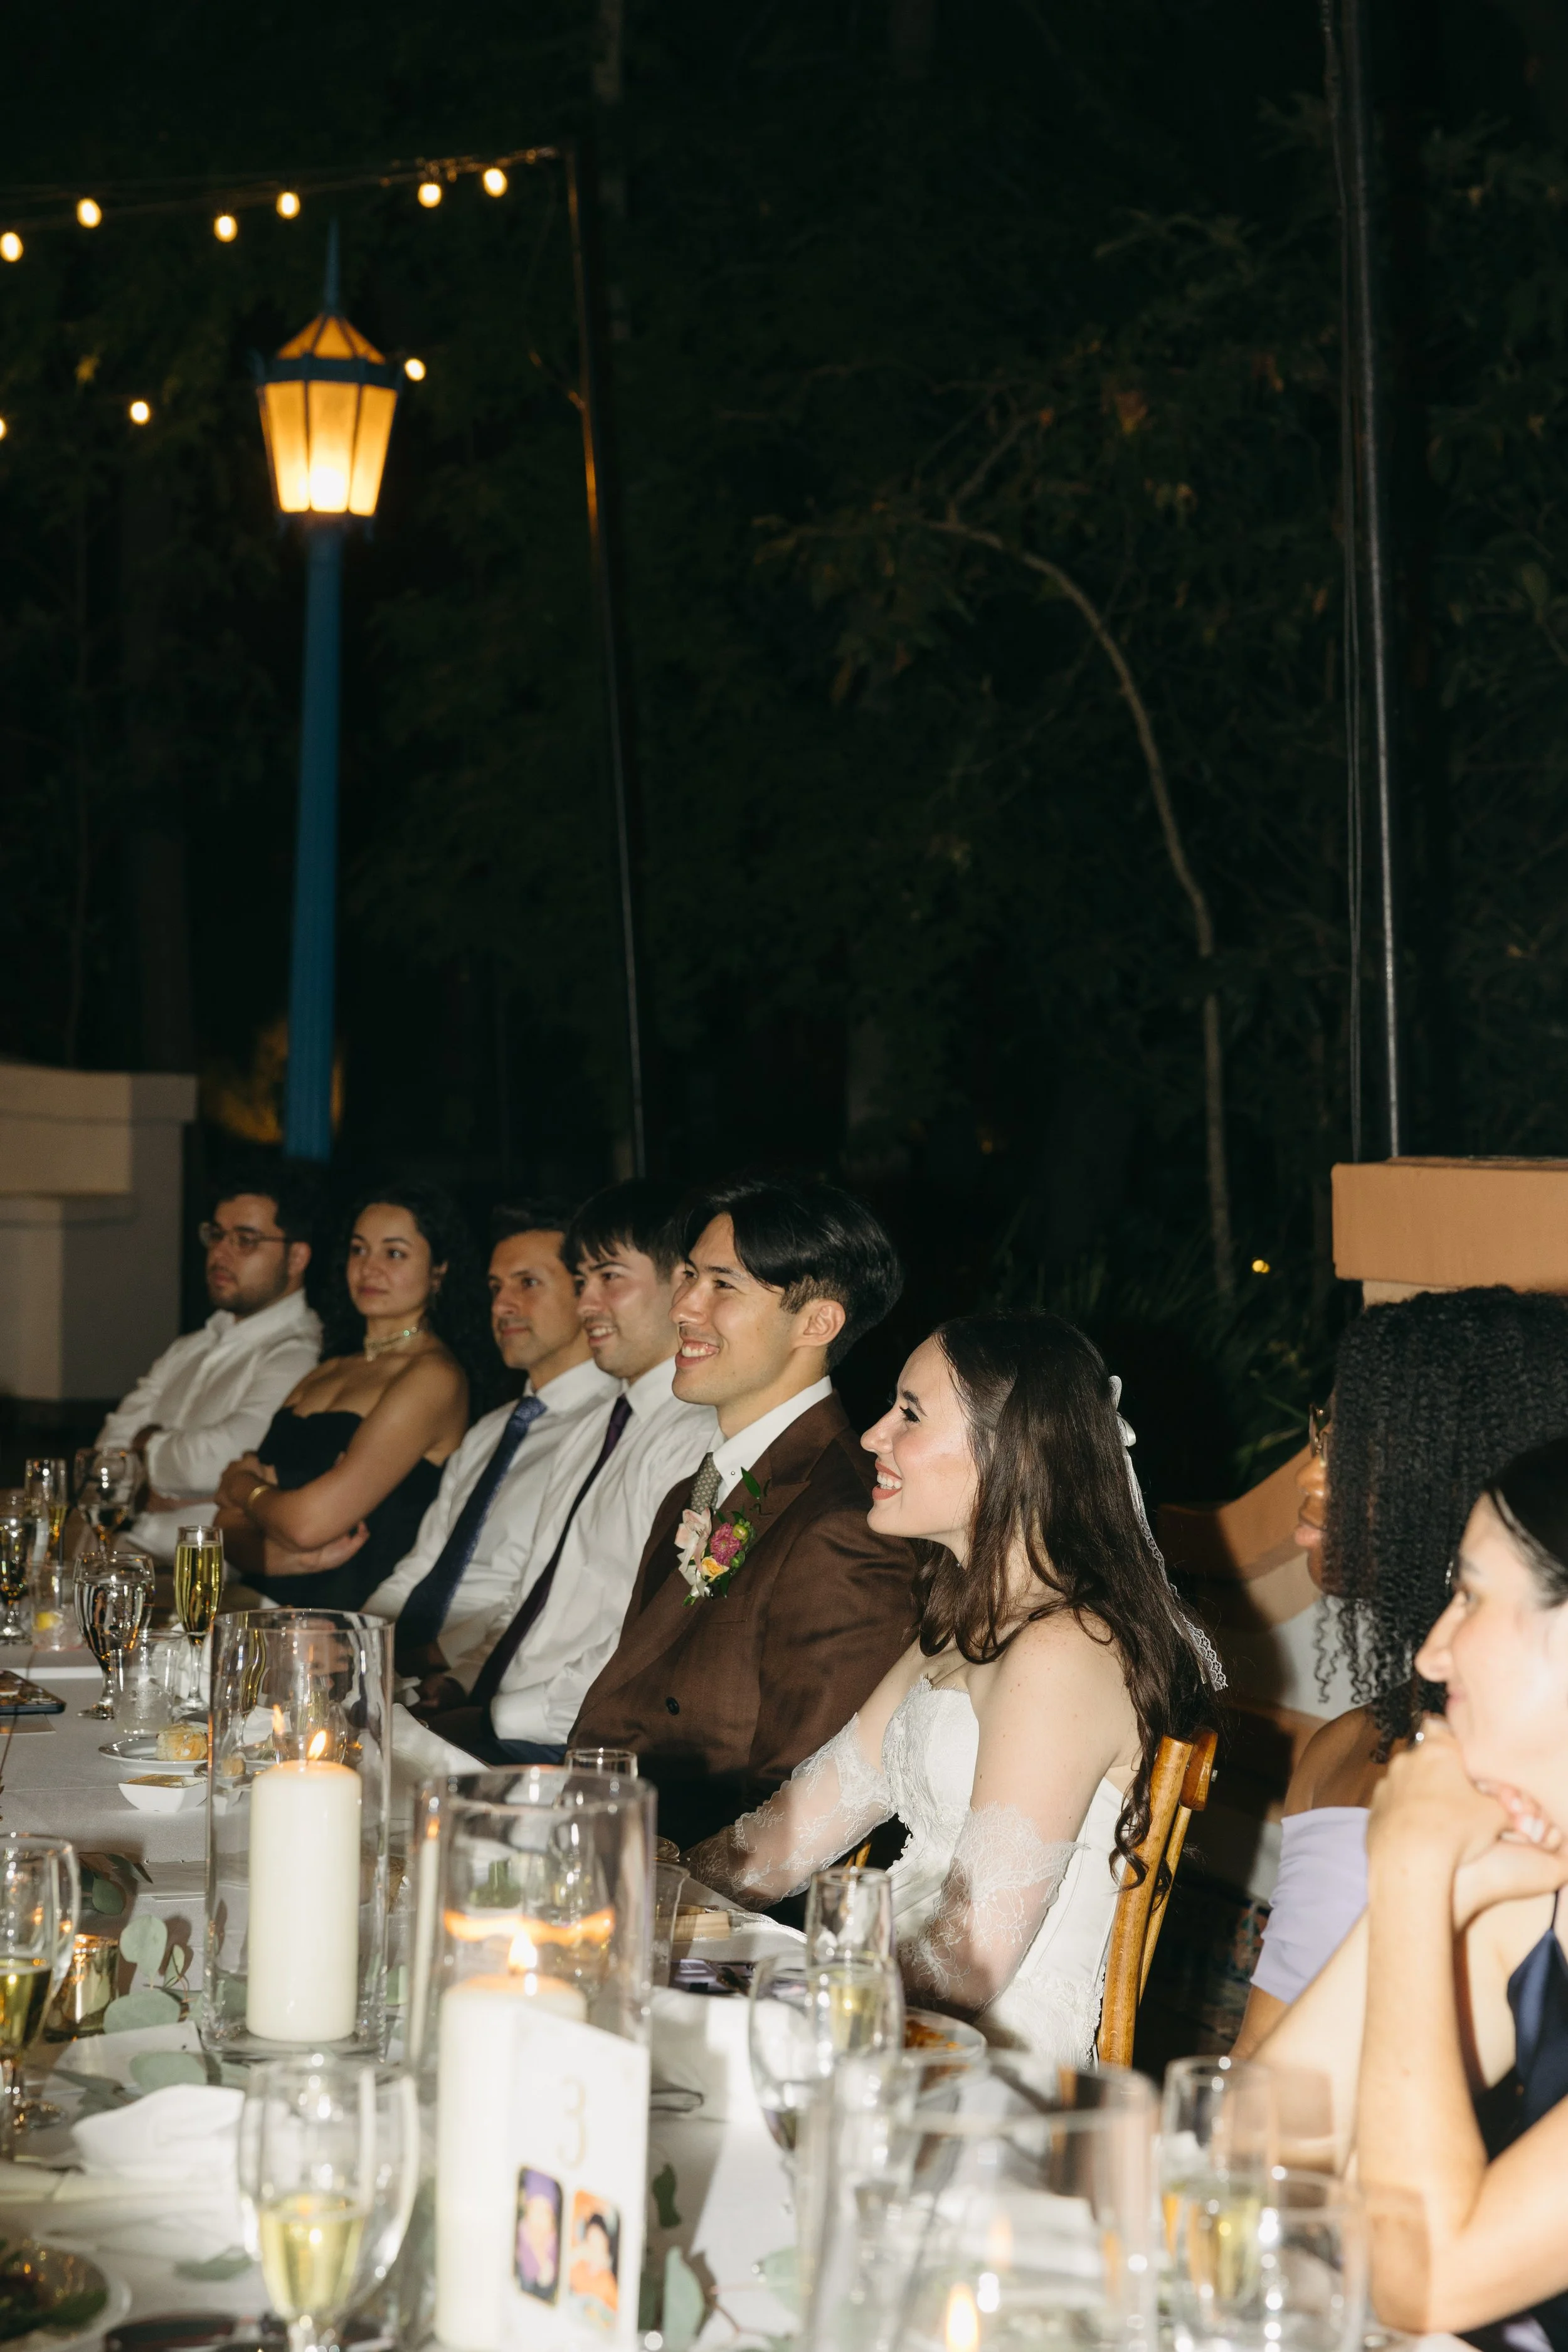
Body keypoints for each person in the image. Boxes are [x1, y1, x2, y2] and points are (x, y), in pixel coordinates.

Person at [685, 1311, 1216, 2059]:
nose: (873, 1436)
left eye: (908, 1414)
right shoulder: (957, 1630)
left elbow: (970, 1960)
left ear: (1010, 1452)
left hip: (988, 2058)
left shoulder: (1065, 1650)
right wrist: (652, 1890)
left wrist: (787, 2005)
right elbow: (784, 1839)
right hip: (881, 2001)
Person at [1254, 1434, 1568, 2346]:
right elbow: (1262, 2139)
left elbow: (1424, 2279)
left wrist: (1410, 1868)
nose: (1432, 1653)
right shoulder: (1534, 1882)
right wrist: (1428, 1889)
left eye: (1468, 1594)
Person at [1234, 1286, 1568, 2054]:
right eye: (1322, 1437)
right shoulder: (1344, 1746)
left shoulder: (1526, 1791)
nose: (1312, 1479)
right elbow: (1257, 2078)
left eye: (1351, 1448)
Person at [569, 1175, 921, 1846]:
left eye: (722, 1286)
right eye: (688, 1277)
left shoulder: (845, 1523)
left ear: (817, 1322)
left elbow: (807, 1805)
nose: (684, 1308)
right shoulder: (699, 1489)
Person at [418, 1179, 716, 1762]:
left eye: (610, 1278)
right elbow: (530, 1596)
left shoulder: (695, 1436)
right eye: (581, 1283)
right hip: (509, 1713)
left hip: (581, 1740)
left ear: (682, 1285)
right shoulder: (596, 1426)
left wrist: (495, 1715)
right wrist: (464, 1681)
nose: (586, 1305)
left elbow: (644, 1643)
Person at [362, 1200, 617, 1686]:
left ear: (586, 1295)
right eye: (496, 1288)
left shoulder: (609, 1428)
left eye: (528, 1283)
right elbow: (421, 1566)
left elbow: (542, 1596)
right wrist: (353, 1638)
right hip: (403, 1668)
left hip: (490, 1679)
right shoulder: (492, 1429)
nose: (502, 1306)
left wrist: (416, 1661)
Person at [213, 1180, 490, 1611]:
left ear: (439, 1270)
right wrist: (284, 1557)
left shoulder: (434, 1376)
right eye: (360, 1250)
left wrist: (243, 1486)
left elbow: (306, 1523)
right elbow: (225, 1530)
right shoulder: (327, 1370)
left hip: (348, 1630)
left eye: (394, 1253)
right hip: (262, 1610)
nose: (369, 1268)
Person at [96, 1166, 322, 1561]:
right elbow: (104, 1455)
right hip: (127, 1555)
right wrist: (149, 1485)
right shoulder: (191, 1347)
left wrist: (145, 1445)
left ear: (297, 1257)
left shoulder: (301, 1353)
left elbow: (223, 1460)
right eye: (216, 1235)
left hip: (209, 1580)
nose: (220, 1253)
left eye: (245, 1241)